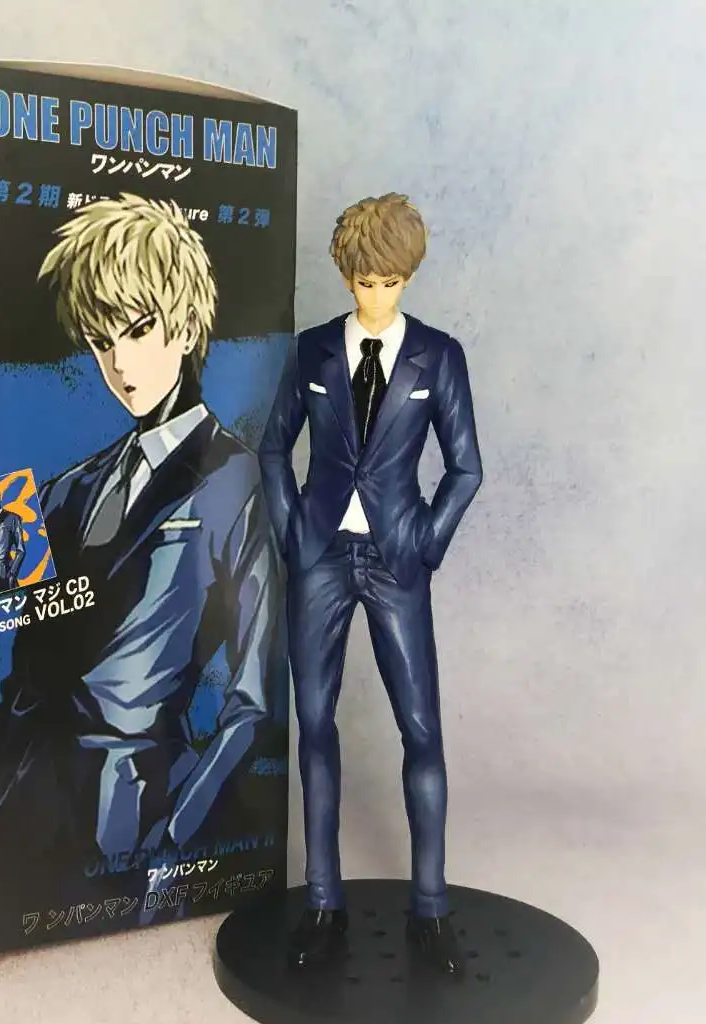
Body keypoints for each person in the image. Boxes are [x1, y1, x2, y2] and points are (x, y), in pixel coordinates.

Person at [0, 193, 284, 929]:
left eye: (139, 329)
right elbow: (30, 654)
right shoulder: (69, 488)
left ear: (186, 324)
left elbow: (255, 699)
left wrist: (176, 839)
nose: (119, 361)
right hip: (17, 805)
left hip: (134, 812)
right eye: (100, 339)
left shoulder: (235, 479)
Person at [259, 193, 483, 975]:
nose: (376, 297)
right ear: (346, 275)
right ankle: (323, 901)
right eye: (364, 282)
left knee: (421, 729)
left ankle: (431, 907)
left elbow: (465, 467)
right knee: (314, 723)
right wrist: (292, 535)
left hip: (396, 559)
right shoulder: (314, 351)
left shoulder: (438, 356)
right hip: (320, 555)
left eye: (389, 282)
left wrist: (425, 541)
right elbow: (273, 447)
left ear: (407, 278)